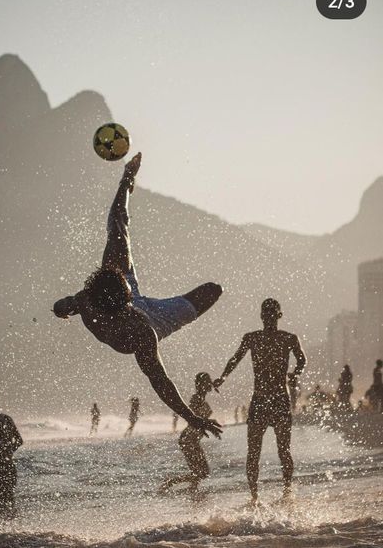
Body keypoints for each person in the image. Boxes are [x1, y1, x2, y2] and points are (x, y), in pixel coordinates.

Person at [53, 153, 222, 438]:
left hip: (134, 301)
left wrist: (126, 180)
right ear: (120, 306)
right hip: (156, 318)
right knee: (212, 291)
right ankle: (126, 183)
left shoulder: (108, 310)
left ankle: (126, 181)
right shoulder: (133, 328)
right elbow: (160, 381)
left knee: (118, 230)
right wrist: (191, 417)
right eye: (127, 298)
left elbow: (159, 380)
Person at [214, 298, 306, 505]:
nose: (269, 317)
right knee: (253, 451)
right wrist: (223, 377)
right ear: (261, 316)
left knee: (284, 450)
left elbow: (302, 359)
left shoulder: (289, 338)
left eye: (272, 313)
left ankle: (287, 491)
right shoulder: (251, 338)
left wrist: (296, 373)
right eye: (265, 314)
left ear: (279, 315)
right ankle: (254, 497)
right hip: (260, 401)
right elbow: (235, 359)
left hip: (280, 399)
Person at [161, 373, 214, 492]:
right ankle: (170, 482)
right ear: (202, 385)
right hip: (188, 439)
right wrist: (209, 422)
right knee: (202, 472)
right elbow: (195, 418)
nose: (211, 383)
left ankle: (192, 491)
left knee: (200, 473)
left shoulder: (201, 398)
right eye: (208, 381)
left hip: (193, 439)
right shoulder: (196, 399)